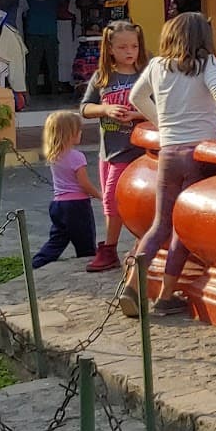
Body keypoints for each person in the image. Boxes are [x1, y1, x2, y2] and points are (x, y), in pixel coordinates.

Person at [121, 13, 216, 318]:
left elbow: (137, 97)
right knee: (182, 228)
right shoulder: (206, 64)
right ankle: (165, 296)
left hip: (169, 152)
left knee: (159, 224)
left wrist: (162, 123)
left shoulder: (157, 66)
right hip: (198, 155)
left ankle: (133, 285)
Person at [79, 20, 148, 272]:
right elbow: (85, 108)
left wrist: (136, 115)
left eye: (134, 46)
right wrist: (106, 109)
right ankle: (119, 247)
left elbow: (161, 110)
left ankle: (109, 249)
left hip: (134, 150)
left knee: (111, 199)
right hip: (108, 150)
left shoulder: (146, 76)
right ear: (110, 49)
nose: (129, 52)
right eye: (122, 47)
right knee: (111, 203)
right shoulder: (102, 77)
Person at [32, 110, 101, 269]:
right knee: (85, 241)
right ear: (71, 133)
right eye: (78, 130)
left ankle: (37, 263)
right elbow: (83, 183)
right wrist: (99, 195)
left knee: (58, 239)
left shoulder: (54, 155)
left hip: (58, 205)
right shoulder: (77, 157)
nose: (81, 132)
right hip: (77, 206)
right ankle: (90, 264)